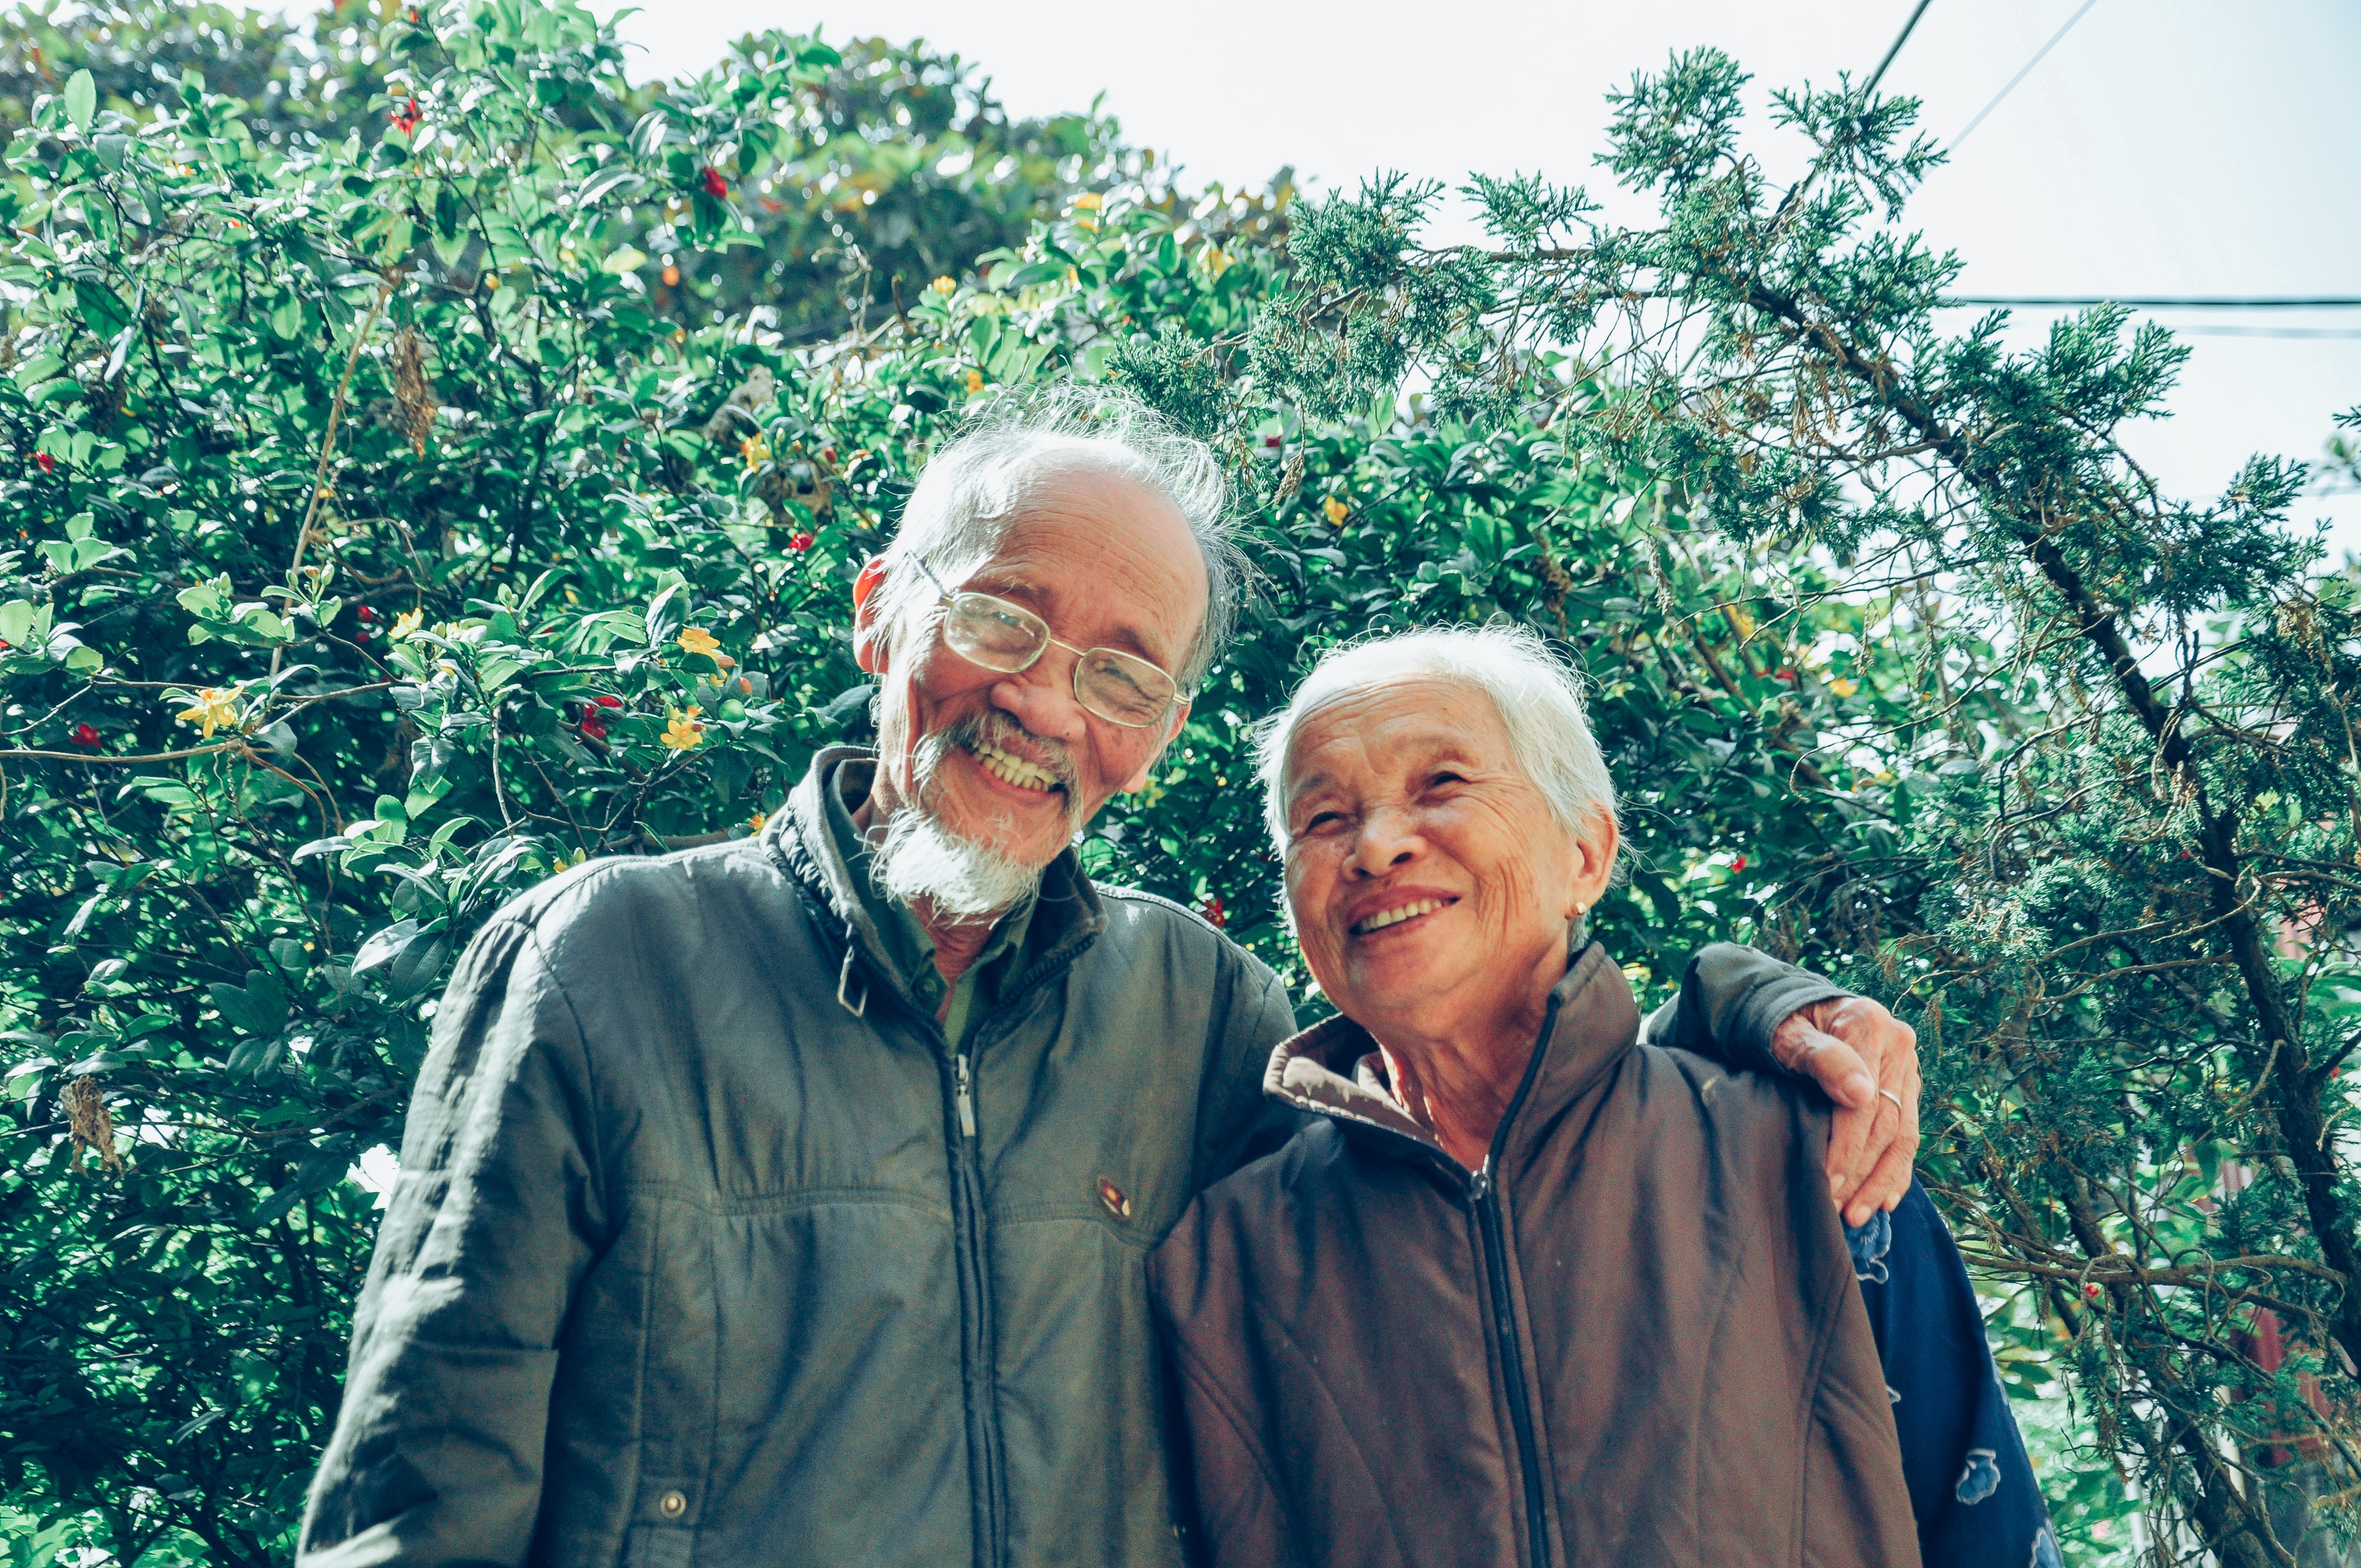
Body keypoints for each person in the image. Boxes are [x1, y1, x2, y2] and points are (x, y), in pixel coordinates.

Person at [297, 391, 1924, 1568]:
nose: (1047, 704)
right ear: (883, 616)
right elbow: (418, 1494)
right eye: (1002, 618)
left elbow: (1480, 1126)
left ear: (1154, 735)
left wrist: (1749, 1011)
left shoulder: (1200, 1009)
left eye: (1124, 671)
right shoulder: (606, 962)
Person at [1149, 625, 2055, 1568]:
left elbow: (1982, 1521)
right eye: (1324, 819)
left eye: (1442, 785)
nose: (1376, 847)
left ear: (1584, 854)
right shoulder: (1225, 1260)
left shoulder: (1805, 1154)